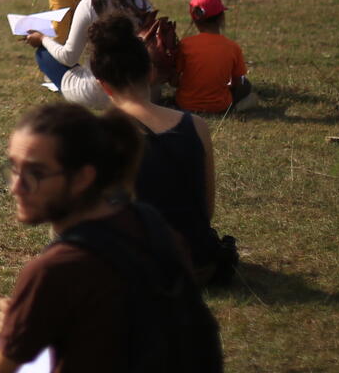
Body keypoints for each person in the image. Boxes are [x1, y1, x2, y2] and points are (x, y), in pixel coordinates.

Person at [0, 104, 221, 373]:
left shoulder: (55, 270)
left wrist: (17, 329)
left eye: (36, 173)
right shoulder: (150, 224)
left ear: (83, 178)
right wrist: (29, 323)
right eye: (14, 168)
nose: (16, 187)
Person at [89, 16, 237, 286]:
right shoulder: (197, 126)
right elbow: (207, 210)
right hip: (198, 264)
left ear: (103, 85)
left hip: (137, 270)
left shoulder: (97, 136)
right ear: (151, 72)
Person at [24, 0, 154, 106]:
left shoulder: (91, 4)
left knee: (43, 54)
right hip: (136, 92)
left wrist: (43, 38)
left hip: (95, 92)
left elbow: (69, 57)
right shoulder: (145, 7)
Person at [175, 0, 259, 115]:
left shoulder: (184, 45)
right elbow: (237, 82)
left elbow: (175, 79)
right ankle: (235, 109)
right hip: (219, 106)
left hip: (185, 105)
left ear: (194, 20)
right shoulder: (233, 47)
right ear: (221, 18)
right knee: (246, 85)